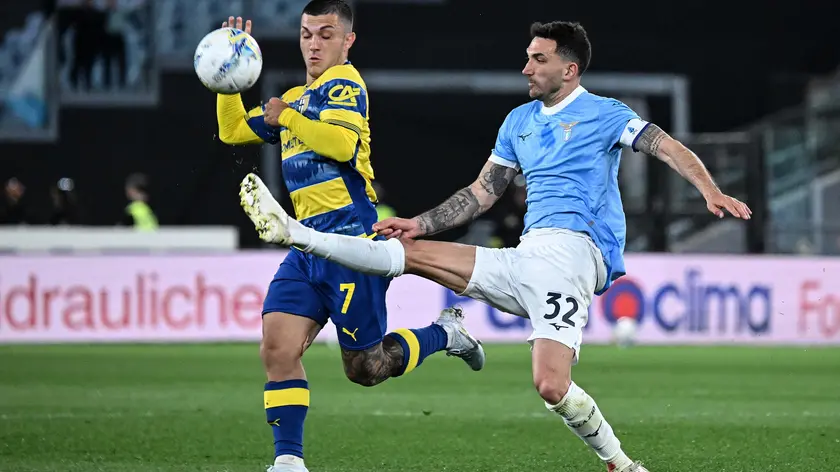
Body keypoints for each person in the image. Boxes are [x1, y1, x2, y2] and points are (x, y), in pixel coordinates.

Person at [239, 20, 753, 472]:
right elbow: (481, 193)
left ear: (569, 69)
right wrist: (420, 222)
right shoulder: (518, 122)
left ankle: (620, 463)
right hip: (526, 257)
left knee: (550, 386)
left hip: (575, 256)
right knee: (403, 254)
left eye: (538, 59)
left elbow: (666, 146)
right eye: (528, 57)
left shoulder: (605, 113)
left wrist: (709, 190)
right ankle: (304, 239)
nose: (527, 68)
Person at [217, 3, 485, 472]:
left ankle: (446, 333)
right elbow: (232, 131)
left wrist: (287, 117)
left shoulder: (344, 84)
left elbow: (341, 146)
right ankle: (288, 461)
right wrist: (227, 77)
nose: (313, 44)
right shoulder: (296, 98)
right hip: (306, 247)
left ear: (348, 41)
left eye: (326, 34)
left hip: (351, 247)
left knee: (366, 369)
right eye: (306, 34)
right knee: (277, 347)